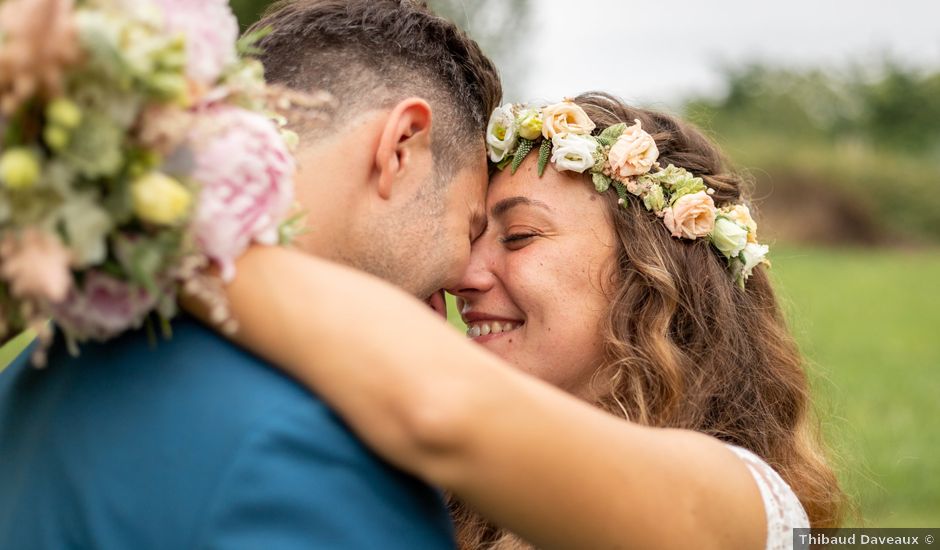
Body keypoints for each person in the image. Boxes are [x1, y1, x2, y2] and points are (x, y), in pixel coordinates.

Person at [193, 93, 846, 549]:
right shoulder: (447, 499)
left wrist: (181, 234)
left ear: (653, 276)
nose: (462, 276)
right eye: (472, 236)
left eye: (519, 236)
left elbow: (443, 407)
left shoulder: (749, 506)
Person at [0, 1, 501, 548]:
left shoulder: (37, 369)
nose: (466, 277)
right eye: (472, 226)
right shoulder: (311, 452)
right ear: (401, 148)